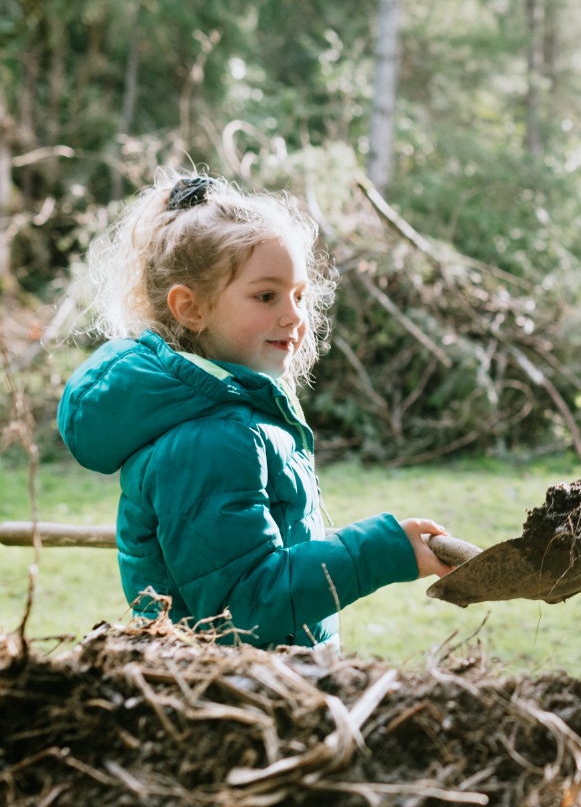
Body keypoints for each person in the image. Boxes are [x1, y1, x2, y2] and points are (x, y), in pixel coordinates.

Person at [58, 172, 452, 650]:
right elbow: (244, 608)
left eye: (299, 295)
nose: (294, 315)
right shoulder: (208, 441)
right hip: (228, 703)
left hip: (263, 692)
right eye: (267, 296)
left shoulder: (237, 418)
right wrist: (383, 551)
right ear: (191, 309)